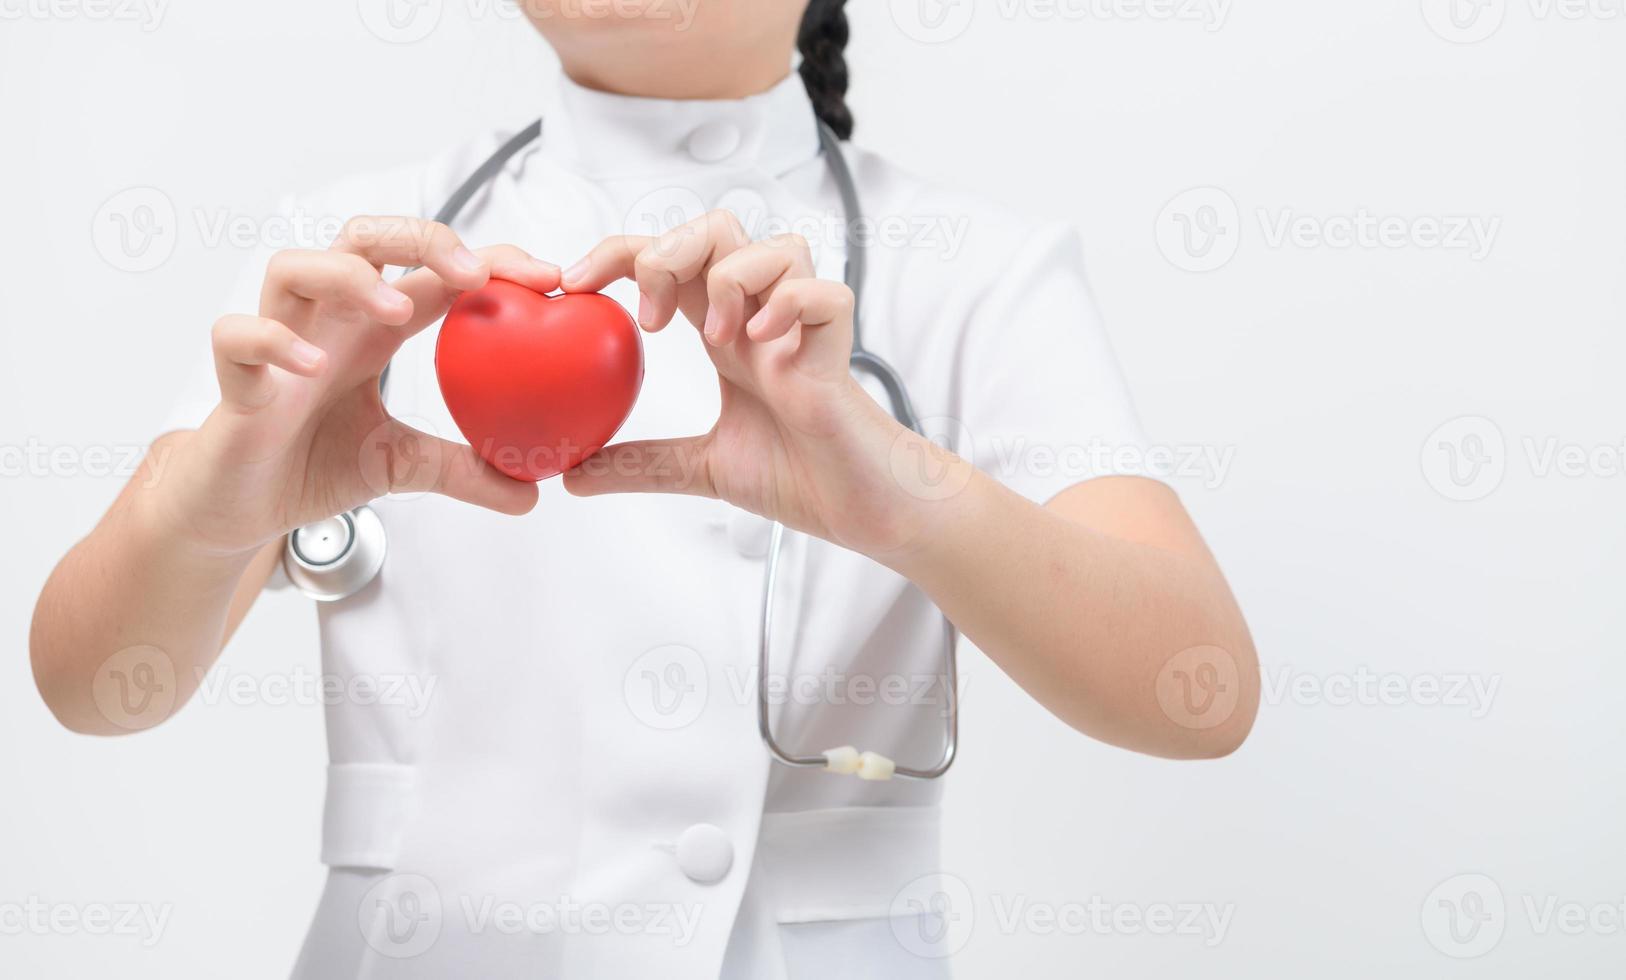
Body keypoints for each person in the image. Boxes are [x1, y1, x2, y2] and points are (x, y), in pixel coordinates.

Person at [29, 1, 1260, 976]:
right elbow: (92, 685)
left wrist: (903, 497)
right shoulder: (351, 257)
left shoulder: (980, 270)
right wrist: (208, 511)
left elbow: (1196, 693)